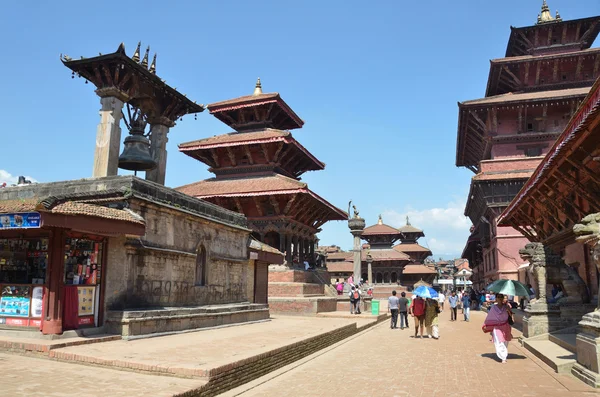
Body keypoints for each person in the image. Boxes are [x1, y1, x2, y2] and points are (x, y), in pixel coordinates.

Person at [483, 293, 513, 364]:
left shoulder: (506, 306)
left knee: (505, 341)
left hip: (505, 326)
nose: (500, 299)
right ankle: (503, 357)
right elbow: (490, 317)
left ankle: (504, 353)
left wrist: (508, 310)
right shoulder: (493, 307)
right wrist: (487, 325)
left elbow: (511, 315)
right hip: (497, 327)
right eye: (498, 297)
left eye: (501, 297)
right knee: (499, 342)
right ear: (496, 299)